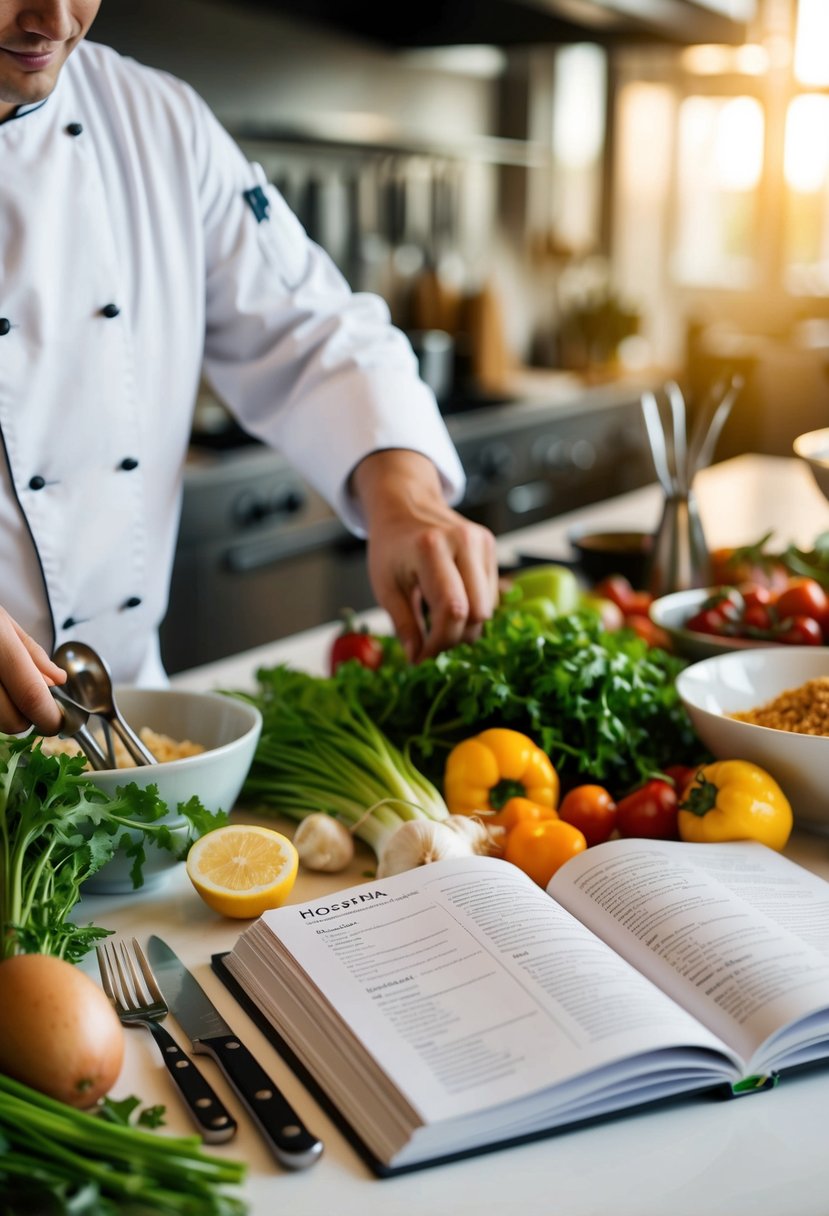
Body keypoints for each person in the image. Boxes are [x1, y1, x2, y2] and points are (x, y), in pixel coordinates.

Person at [0, 0, 499, 737]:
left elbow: (312, 329)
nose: (54, 15)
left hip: (133, 736)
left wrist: (403, 496)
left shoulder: (157, 122)